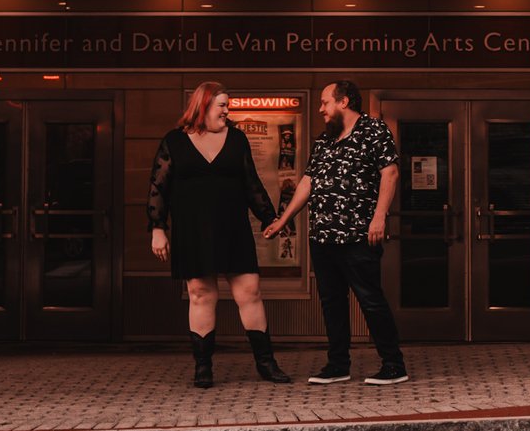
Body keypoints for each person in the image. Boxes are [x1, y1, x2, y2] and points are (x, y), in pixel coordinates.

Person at [150, 80, 292, 389]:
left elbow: (251, 185)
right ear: (203, 107)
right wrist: (158, 228)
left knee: (250, 291)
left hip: (233, 227)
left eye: (228, 105)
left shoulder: (238, 139)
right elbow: (158, 188)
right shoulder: (173, 141)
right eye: (222, 105)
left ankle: (266, 363)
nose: (228, 110)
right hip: (192, 230)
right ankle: (203, 367)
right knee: (201, 294)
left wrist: (271, 219)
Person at [269, 80, 407, 385]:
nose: (320, 110)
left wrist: (379, 217)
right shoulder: (325, 140)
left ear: (343, 101)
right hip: (323, 237)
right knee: (331, 301)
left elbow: (391, 172)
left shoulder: (374, 131)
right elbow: (307, 182)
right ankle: (338, 365)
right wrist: (284, 220)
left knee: (370, 299)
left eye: (325, 103)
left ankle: (394, 364)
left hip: (359, 234)